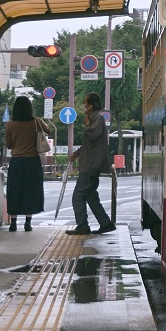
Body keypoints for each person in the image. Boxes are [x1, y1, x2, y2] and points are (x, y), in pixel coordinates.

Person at [68, 92, 115, 236]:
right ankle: (105, 223)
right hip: (90, 162)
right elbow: (89, 144)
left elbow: (93, 136)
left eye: (86, 103)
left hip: (91, 164)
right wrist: (76, 154)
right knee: (90, 195)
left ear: (92, 105)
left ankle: (82, 225)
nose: (84, 106)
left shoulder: (98, 118)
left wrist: (88, 125)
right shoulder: (94, 118)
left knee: (78, 195)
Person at [3, 95, 50, 232]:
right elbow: (49, 131)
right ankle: (28, 222)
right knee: (31, 190)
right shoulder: (36, 121)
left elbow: (9, 144)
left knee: (14, 190)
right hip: (32, 161)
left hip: (16, 162)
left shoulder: (10, 124)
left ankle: (13, 222)